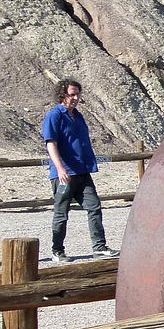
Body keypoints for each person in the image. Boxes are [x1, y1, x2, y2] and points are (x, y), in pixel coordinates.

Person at [42, 79, 116, 263]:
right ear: (63, 94)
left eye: (77, 94)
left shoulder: (79, 116)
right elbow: (51, 144)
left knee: (94, 206)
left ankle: (99, 247)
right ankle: (57, 250)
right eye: (71, 94)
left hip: (82, 172)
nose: (75, 98)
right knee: (61, 213)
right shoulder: (54, 116)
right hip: (65, 174)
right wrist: (59, 168)